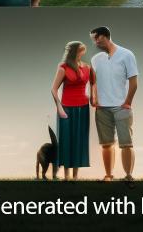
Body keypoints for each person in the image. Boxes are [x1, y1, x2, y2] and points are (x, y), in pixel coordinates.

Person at [90, 26, 139, 182]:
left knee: (126, 143)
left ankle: (128, 176)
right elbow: (94, 82)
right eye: (93, 39)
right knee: (106, 144)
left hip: (121, 107)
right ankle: (108, 176)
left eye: (96, 38)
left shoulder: (127, 55)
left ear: (105, 36)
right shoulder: (96, 59)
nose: (95, 42)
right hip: (102, 109)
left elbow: (134, 82)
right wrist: (94, 98)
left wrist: (127, 102)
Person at [51, 41, 95, 180]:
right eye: (80, 51)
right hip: (66, 109)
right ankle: (66, 176)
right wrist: (59, 106)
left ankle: (75, 177)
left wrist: (92, 97)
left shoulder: (87, 67)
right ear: (74, 52)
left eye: (83, 51)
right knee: (66, 140)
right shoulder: (63, 68)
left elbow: (93, 82)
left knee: (78, 140)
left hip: (83, 108)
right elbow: (53, 89)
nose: (83, 53)